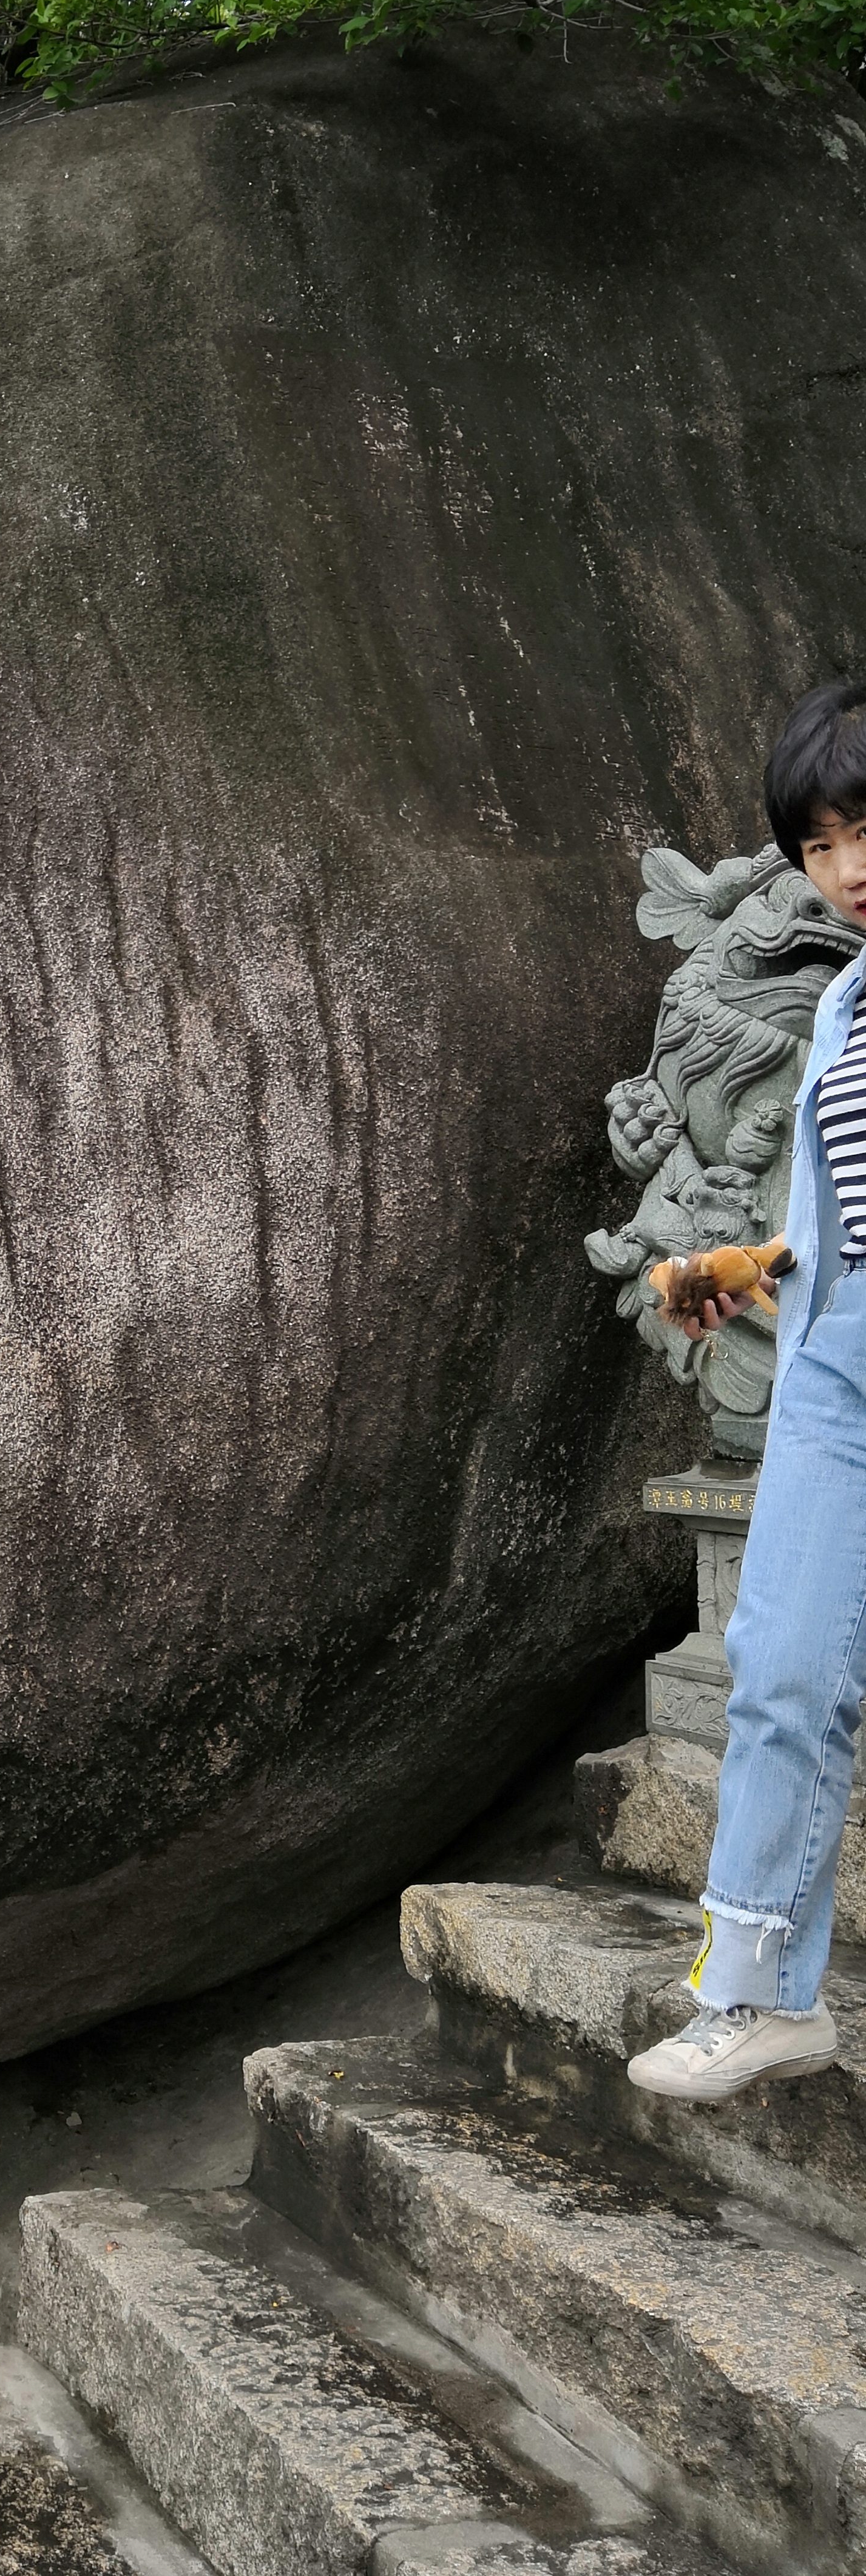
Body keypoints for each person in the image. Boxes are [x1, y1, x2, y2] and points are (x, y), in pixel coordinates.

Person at [628, 680, 866, 2102]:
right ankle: (763, 1990)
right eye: (821, 844)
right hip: (839, 1356)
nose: (849, 870)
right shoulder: (841, 1003)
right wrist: (743, 1261)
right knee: (778, 1668)